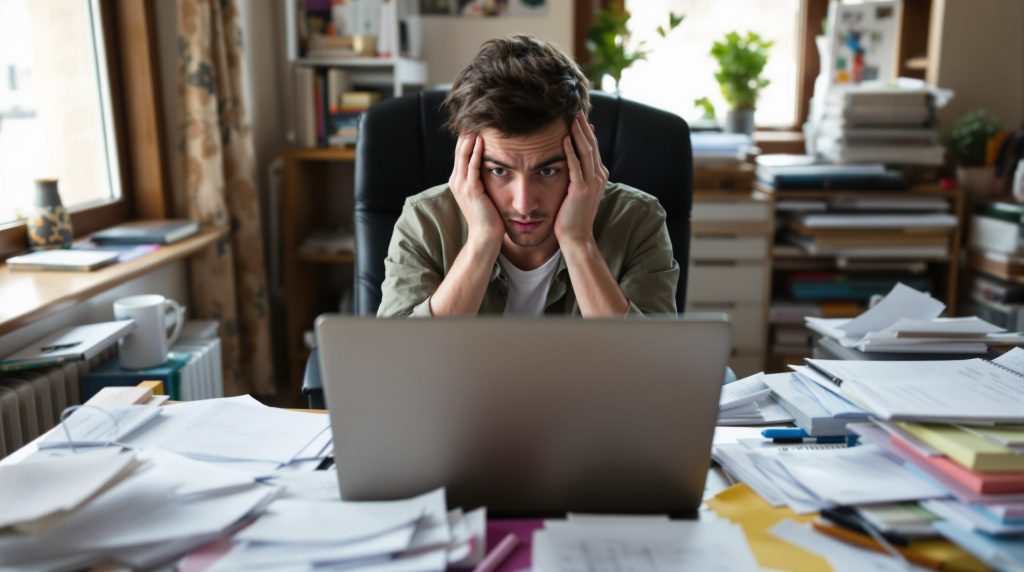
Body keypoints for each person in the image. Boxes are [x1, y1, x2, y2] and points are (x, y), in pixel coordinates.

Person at [377, 35, 679, 318]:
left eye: (547, 170)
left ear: (585, 148)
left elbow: (651, 366)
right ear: (468, 156)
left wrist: (578, 242)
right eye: (499, 171)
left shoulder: (638, 219)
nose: (523, 204)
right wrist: (482, 241)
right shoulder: (425, 221)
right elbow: (397, 363)